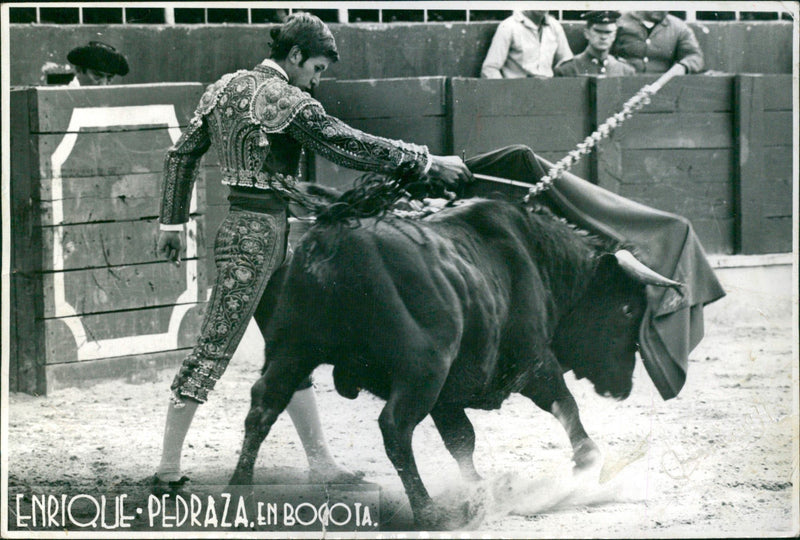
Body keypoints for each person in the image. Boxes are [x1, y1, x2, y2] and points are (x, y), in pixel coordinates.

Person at [153, 12, 472, 494]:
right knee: (212, 350)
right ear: (296, 55)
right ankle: (167, 469)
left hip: (263, 232)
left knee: (291, 349)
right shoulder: (285, 98)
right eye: (317, 69)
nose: (316, 80)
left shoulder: (222, 88)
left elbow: (180, 156)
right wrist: (423, 159)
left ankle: (321, 462)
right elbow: (344, 143)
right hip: (258, 238)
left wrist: (171, 222)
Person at [481, 10, 573, 79]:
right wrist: (505, 93)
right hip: (516, 95)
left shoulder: (555, 26)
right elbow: (489, 69)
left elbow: (566, 64)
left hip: (548, 94)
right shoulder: (508, 27)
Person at [611, 11, 704, 77]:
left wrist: (684, 66)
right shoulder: (620, 22)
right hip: (623, 82)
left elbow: (695, 56)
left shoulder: (679, 28)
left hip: (661, 88)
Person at [554, 11, 635, 77]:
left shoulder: (625, 71)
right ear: (587, 33)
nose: (603, 37)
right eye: (598, 31)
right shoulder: (567, 70)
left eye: (608, 32)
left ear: (614, 36)